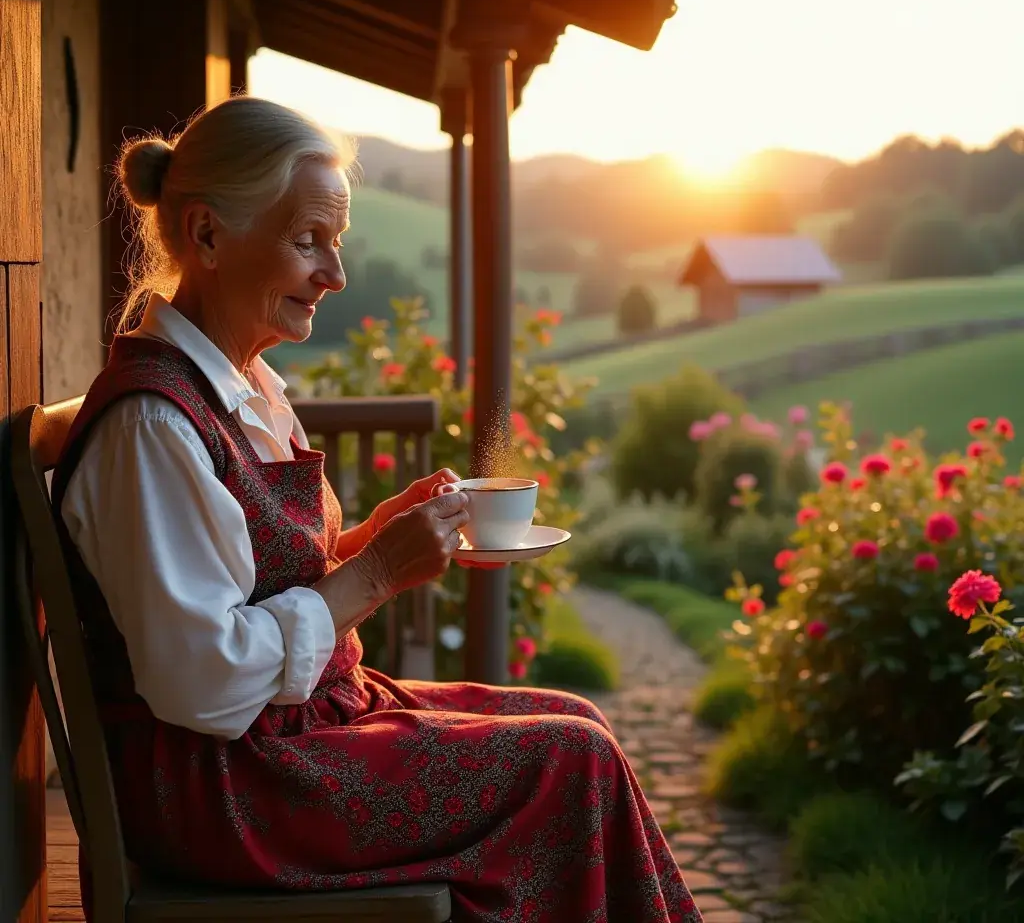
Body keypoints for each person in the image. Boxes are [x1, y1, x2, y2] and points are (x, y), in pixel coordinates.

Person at [54, 96, 702, 923]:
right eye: (307, 241)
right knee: (569, 760)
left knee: (576, 716)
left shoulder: (241, 388)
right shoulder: (151, 427)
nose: (336, 274)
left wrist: (371, 536)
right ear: (208, 235)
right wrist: (379, 572)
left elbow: (257, 582)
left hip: (285, 738)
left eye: (337, 242)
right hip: (227, 784)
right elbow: (203, 684)